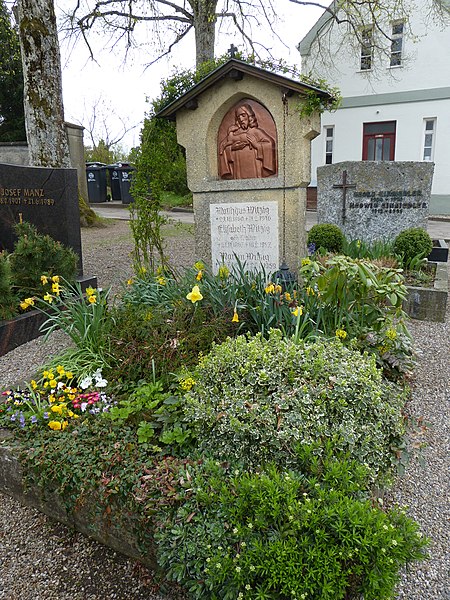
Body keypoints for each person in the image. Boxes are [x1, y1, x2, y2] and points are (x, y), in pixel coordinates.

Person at [218, 103, 276, 179]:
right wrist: (232, 148)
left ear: (249, 116)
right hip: (238, 168)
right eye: (238, 117)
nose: (241, 119)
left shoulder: (255, 131)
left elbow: (270, 144)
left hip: (254, 168)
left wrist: (257, 145)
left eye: (243, 115)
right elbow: (222, 147)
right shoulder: (235, 133)